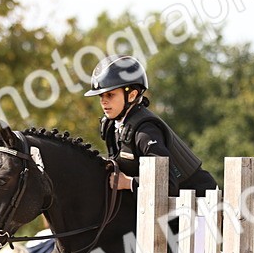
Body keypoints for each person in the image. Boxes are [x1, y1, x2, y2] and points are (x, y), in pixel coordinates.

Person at [85, 55, 218, 196]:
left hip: (200, 202)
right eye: (101, 96)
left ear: (131, 95)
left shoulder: (146, 132)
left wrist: (128, 183)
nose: (104, 102)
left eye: (110, 95)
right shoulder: (111, 125)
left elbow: (167, 185)